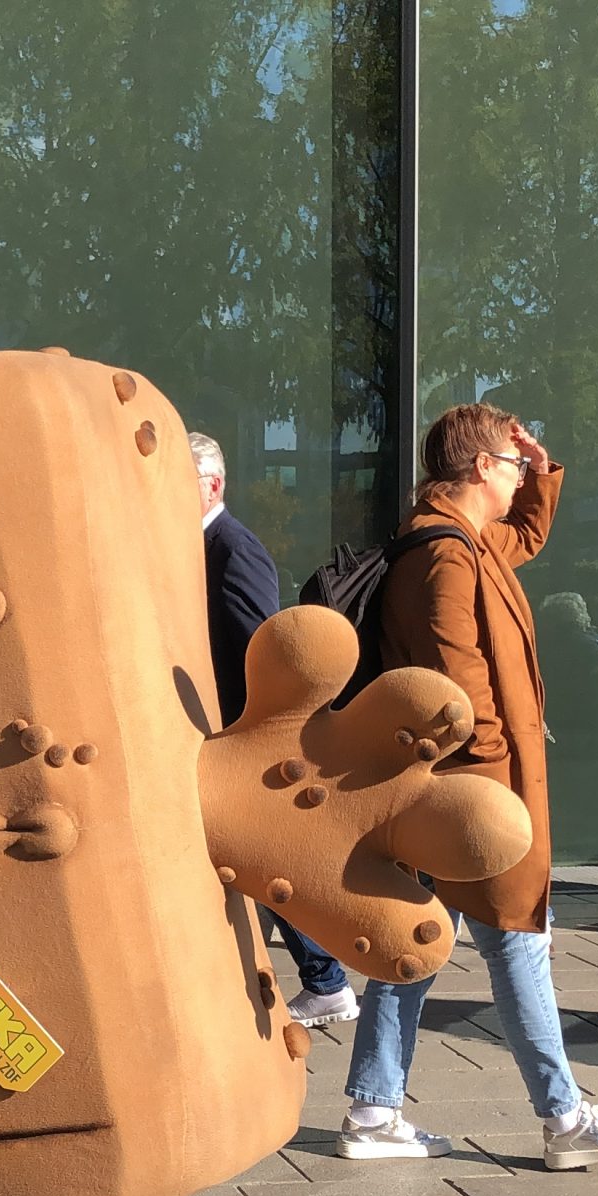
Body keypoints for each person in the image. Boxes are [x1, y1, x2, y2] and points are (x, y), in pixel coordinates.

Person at [335, 402, 598, 1169]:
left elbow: (526, 535)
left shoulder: (465, 540)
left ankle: (374, 1110)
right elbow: (456, 679)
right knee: (518, 940)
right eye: (513, 465)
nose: (520, 476)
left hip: (454, 791)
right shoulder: (446, 556)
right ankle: (565, 1120)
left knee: (418, 941)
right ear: (482, 466)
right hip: (476, 794)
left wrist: (543, 471)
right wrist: (495, 769)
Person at [187, 432, 358, 1029]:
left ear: (212, 485)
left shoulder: (233, 548)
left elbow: (260, 645)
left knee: (258, 859)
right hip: (218, 731)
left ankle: (326, 980)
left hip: (238, 733)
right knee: (249, 859)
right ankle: (320, 979)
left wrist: (246, 728)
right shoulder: (198, 545)